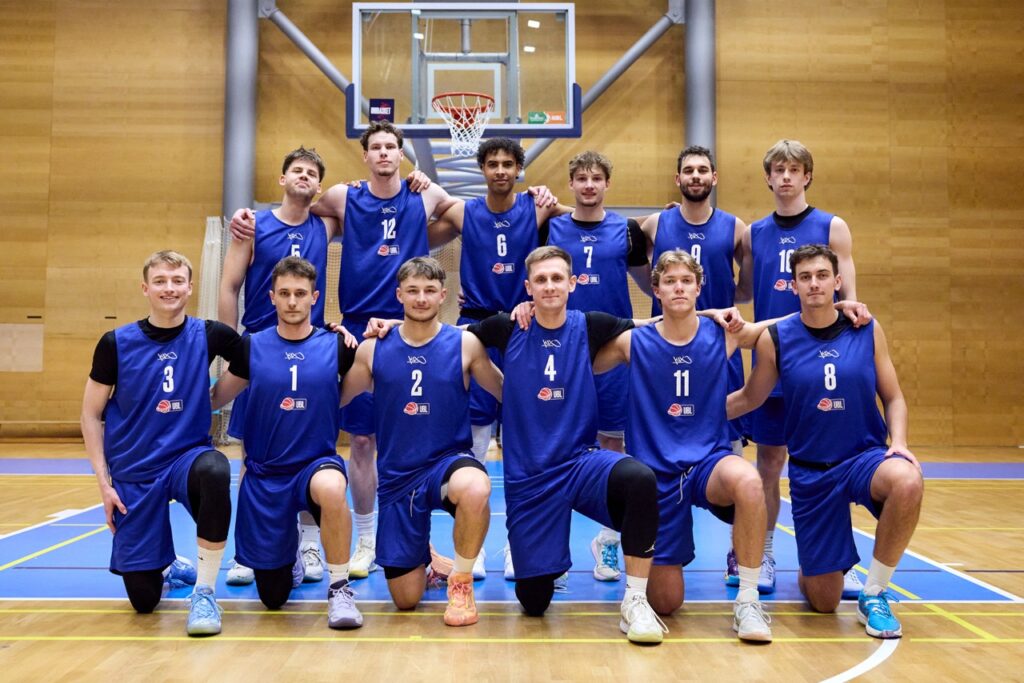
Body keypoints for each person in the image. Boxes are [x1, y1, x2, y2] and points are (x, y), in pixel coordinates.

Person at [230, 121, 457, 580]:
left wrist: (430, 187)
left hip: (408, 329)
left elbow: (464, 219)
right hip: (356, 329)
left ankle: (416, 544)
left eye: (392, 146)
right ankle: (358, 540)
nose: (385, 153)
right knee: (355, 440)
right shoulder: (342, 197)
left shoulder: (425, 195)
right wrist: (244, 216)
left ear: (401, 154)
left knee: (410, 438)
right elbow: (296, 205)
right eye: (377, 147)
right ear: (365, 156)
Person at [463, 246, 665, 644]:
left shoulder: (590, 325)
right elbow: (444, 338)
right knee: (534, 601)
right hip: (530, 479)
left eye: (557, 278)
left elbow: (655, 324)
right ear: (528, 287)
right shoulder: (506, 327)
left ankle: (636, 600)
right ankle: (545, 557)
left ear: (572, 283)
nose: (550, 286)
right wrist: (388, 325)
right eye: (541, 280)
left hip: (579, 464)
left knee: (639, 479)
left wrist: (713, 316)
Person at [728, 244, 923, 639]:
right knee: (823, 600)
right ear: (794, 287)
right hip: (812, 472)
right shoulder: (775, 338)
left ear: (837, 282)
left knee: (907, 480)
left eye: (821, 276)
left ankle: (874, 593)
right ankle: (820, 562)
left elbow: (894, 397)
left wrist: (900, 442)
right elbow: (750, 398)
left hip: (864, 458)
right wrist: (696, 413)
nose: (814, 284)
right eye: (805, 277)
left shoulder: (865, 328)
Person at [593, 250, 773, 642]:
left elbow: (780, 330)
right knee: (667, 602)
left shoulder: (723, 333)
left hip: (708, 463)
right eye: (670, 281)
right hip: (655, 475)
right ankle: (632, 573)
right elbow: (578, 356)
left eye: (686, 281)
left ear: (699, 287)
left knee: (748, 480)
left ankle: (748, 600)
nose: (679, 288)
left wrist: (837, 308)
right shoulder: (633, 342)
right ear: (655, 290)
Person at [427, 137, 565, 580]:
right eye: (493, 163)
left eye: (508, 163)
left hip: (526, 329)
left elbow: (586, 221)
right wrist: (417, 182)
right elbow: (414, 218)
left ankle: (517, 547)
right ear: (482, 169)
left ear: (520, 169)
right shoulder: (463, 212)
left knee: (527, 441)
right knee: (474, 446)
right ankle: (473, 547)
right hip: (478, 327)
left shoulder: (537, 207)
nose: (501, 170)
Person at [81, 250, 237, 636]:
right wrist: (104, 484)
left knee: (216, 470)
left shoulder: (209, 334)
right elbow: (90, 415)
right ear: (145, 288)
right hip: (135, 469)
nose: (170, 288)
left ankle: (204, 592)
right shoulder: (115, 343)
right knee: (144, 601)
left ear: (190, 287)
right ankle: (168, 566)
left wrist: (213, 399)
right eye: (161, 281)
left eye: (178, 281)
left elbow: (255, 359)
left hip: (186, 458)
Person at [342, 257, 501, 627]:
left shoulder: (465, 344)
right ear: (399, 295)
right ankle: (428, 561)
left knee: (476, 486)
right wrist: (332, 344)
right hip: (398, 479)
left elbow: (506, 391)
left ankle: (461, 582)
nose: (421, 298)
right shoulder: (373, 349)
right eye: (412, 290)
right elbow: (334, 398)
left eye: (430, 290)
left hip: (447, 464)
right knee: (406, 600)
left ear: (443, 295)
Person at [737, 139, 864, 597]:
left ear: (807, 175)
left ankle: (841, 560)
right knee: (769, 464)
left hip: (821, 364)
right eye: (779, 169)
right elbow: (744, 290)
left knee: (832, 464)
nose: (786, 176)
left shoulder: (833, 226)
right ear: (768, 177)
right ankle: (765, 552)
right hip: (773, 359)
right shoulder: (753, 233)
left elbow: (849, 296)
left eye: (794, 169)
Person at [211, 256, 362, 629]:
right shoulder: (252, 346)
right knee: (273, 598)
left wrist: (381, 328)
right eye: (284, 293)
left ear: (314, 297)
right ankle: (288, 554)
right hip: (266, 475)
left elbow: (377, 365)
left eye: (300, 293)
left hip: (315, 465)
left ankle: (339, 589)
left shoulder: (338, 346)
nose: (292, 301)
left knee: (332, 488)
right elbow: (215, 398)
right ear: (272, 297)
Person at [219, 146, 335, 586]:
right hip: (261, 350)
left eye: (311, 173)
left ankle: (308, 545)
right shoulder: (253, 225)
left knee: (311, 452)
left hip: (309, 351)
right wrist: (231, 348)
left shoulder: (325, 225)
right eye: (296, 170)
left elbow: (370, 200)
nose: (304, 176)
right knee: (252, 454)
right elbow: (229, 286)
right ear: (282, 179)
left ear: (319, 186)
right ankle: (250, 550)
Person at [544, 151, 651, 584]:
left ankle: (608, 539)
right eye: (581, 178)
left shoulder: (627, 231)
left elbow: (650, 284)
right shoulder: (550, 225)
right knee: (553, 445)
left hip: (611, 347)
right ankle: (547, 550)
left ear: (607, 183)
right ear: (571, 184)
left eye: (596, 178)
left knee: (613, 444)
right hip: (560, 346)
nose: (589, 185)